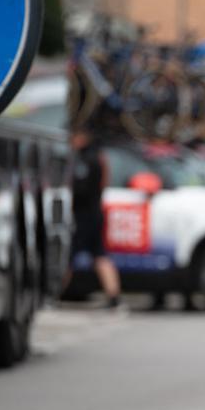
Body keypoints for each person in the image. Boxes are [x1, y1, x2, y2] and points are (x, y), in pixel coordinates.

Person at [67, 127, 126, 312]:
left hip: (84, 215)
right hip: (94, 212)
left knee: (68, 256)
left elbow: (80, 189)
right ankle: (114, 296)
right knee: (99, 255)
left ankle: (49, 294)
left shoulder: (85, 159)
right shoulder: (97, 156)